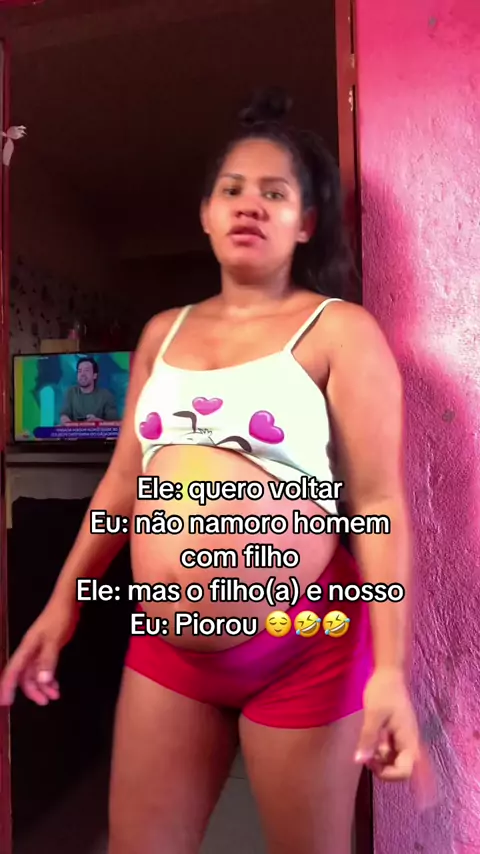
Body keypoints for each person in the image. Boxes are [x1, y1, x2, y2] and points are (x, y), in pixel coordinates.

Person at [0, 89, 432, 854]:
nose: (250, 205)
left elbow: (378, 503)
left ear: (306, 223)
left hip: (304, 642)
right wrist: (63, 604)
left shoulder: (340, 331)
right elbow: (122, 486)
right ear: (205, 213)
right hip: (167, 652)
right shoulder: (162, 334)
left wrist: (392, 671)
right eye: (232, 189)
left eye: (276, 193)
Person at [60, 356, 118, 424]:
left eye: (86, 370)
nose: (82, 374)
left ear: (94, 375)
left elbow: (114, 424)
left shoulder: (106, 395)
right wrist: (69, 424)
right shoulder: (71, 392)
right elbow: (64, 415)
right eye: (79, 371)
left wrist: (97, 422)